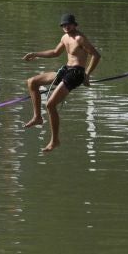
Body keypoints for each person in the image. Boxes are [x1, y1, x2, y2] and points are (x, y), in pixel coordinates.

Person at [21, 13, 102, 152]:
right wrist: (35, 54)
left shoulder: (80, 38)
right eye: (64, 25)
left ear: (75, 25)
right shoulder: (64, 37)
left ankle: (55, 141)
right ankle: (37, 117)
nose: (66, 26)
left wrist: (87, 75)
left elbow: (96, 55)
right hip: (66, 70)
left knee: (50, 104)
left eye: (68, 24)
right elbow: (55, 52)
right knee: (32, 82)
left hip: (76, 74)